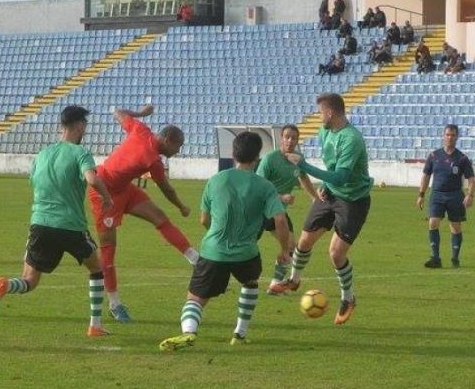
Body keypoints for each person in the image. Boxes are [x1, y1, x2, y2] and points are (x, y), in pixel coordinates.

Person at [0, 106, 116, 337]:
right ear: (80, 126)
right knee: (96, 268)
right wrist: (107, 197)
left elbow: (34, 182)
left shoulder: (42, 154)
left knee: (29, 280)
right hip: (71, 226)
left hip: (40, 223)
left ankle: (7, 285)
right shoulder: (80, 153)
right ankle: (95, 324)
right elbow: (92, 178)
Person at [158, 132, 293, 351]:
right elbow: (280, 219)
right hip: (247, 253)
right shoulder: (265, 186)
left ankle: (189, 332)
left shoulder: (216, 180)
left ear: (233, 153)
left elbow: (204, 219)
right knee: (250, 284)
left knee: (194, 298)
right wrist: (284, 250)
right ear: (258, 156)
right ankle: (239, 334)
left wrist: (216, 232)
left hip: (214, 252)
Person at [268, 93, 373, 326]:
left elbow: (342, 175)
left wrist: (303, 165)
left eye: (320, 113)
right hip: (331, 192)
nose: (318, 117)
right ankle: (294, 280)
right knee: (304, 242)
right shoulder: (325, 132)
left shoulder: (352, 139)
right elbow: (332, 168)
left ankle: (348, 298)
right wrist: (323, 186)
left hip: (353, 200)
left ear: (330, 113)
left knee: (336, 253)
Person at [88, 104, 199, 323]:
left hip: (125, 189)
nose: (178, 152)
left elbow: (117, 111)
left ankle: (195, 258)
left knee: (159, 218)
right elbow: (167, 189)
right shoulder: (153, 161)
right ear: (168, 140)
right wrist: (181, 207)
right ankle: (114, 304)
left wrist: (140, 113)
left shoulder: (140, 129)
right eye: (178, 146)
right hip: (103, 193)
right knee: (108, 252)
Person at [256, 125, 320, 286]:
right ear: (281, 139)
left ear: (297, 141)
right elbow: (257, 187)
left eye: (294, 138)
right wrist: (281, 197)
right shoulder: (270, 159)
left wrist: (314, 197)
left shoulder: (298, 160)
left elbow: (303, 178)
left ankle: (275, 284)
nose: (290, 141)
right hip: (258, 210)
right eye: (287, 137)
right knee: (245, 246)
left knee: (291, 246)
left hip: (278, 213)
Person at [417, 125, 475, 268]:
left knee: (455, 227)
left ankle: (455, 258)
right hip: (437, 194)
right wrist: (421, 195)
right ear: (443, 136)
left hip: (455, 195)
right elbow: (426, 176)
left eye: (453, 135)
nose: (450, 138)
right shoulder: (433, 156)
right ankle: (435, 257)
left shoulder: (462, 158)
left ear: (457, 137)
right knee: (433, 222)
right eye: (448, 135)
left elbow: (471, 179)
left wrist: (470, 195)